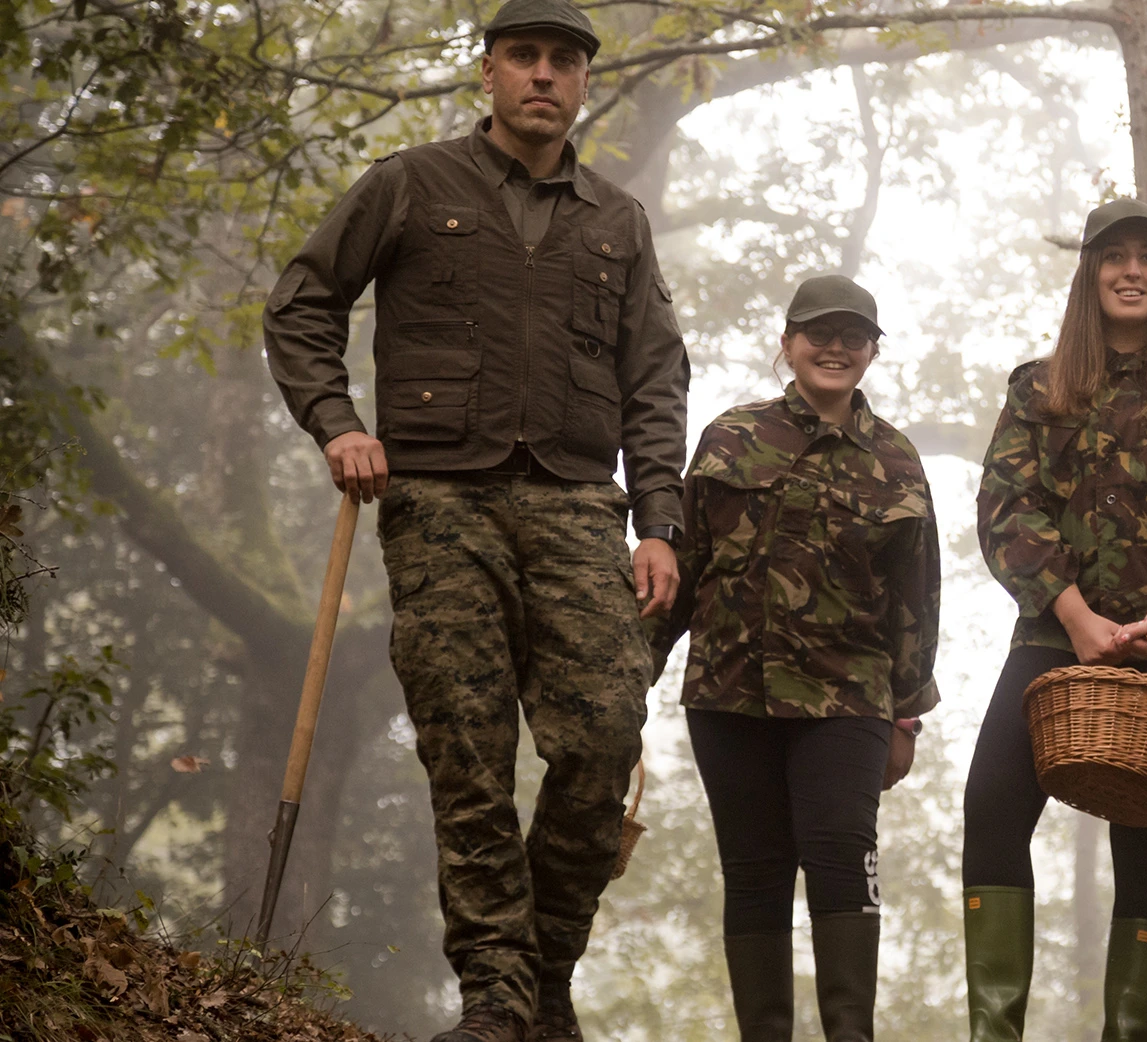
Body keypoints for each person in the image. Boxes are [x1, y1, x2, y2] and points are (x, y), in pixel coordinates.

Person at [260, 2, 687, 1039]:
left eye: (564, 62)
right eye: (524, 58)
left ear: (585, 82)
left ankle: (544, 971)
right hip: (439, 499)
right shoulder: (411, 184)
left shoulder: (615, 221)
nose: (544, 76)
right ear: (489, 72)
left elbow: (655, 377)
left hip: (582, 504)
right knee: (467, 744)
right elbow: (304, 301)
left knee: (600, 735)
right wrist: (336, 424)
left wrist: (661, 520)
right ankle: (498, 992)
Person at [962, 199, 1147, 1042]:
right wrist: (1077, 615)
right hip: (1055, 636)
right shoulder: (1039, 390)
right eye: (1114, 256)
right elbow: (1008, 508)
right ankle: (995, 1032)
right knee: (992, 803)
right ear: (1089, 273)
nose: (1132, 271)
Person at [651, 276, 939, 1042]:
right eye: (818, 333)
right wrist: (631, 679)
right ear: (787, 343)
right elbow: (682, 575)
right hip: (728, 694)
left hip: (847, 701)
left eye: (853, 336)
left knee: (843, 854)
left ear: (874, 351)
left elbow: (916, 599)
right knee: (753, 872)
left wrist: (906, 715)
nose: (835, 347)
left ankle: (851, 1034)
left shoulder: (897, 462)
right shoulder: (727, 438)